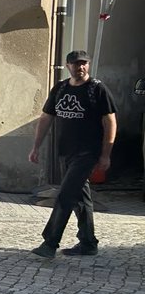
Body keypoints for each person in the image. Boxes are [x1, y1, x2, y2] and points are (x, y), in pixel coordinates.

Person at [28, 49, 117, 257]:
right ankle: (88, 243)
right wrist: (36, 146)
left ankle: (50, 243)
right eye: (76, 64)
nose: (81, 67)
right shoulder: (60, 88)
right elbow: (46, 117)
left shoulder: (97, 89)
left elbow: (110, 122)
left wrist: (105, 154)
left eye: (84, 63)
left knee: (65, 195)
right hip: (65, 152)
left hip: (87, 152)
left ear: (88, 65)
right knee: (80, 198)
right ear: (68, 66)